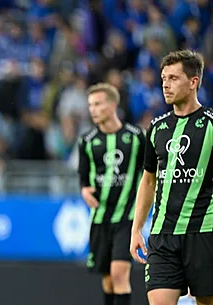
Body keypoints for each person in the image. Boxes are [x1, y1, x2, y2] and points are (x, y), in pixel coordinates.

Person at [130, 50, 213, 305]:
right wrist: (136, 229)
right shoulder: (157, 127)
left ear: (193, 82)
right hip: (163, 236)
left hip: (205, 233)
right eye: (163, 78)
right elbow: (148, 180)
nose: (165, 84)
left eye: (173, 78)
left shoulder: (211, 124)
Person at [77, 83, 145, 305]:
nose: (93, 110)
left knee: (119, 275)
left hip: (127, 218)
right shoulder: (86, 141)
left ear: (113, 105)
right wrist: (85, 191)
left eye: (98, 104)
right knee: (107, 280)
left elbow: (150, 173)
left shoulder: (136, 137)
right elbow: (84, 178)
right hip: (99, 218)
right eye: (90, 105)